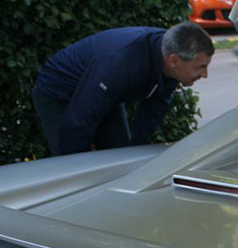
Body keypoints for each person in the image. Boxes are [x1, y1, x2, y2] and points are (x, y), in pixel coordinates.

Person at [33, 23, 213, 156]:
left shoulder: (170, 58)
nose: (205, 74)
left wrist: (135, 151)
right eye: (200, 67)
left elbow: (153, 111)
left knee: (121, 154)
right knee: (71, 160)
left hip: (106, 93)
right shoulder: (120, 63)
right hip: (58, 92)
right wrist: (79, 165)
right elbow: (79, 120)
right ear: (174, 61)